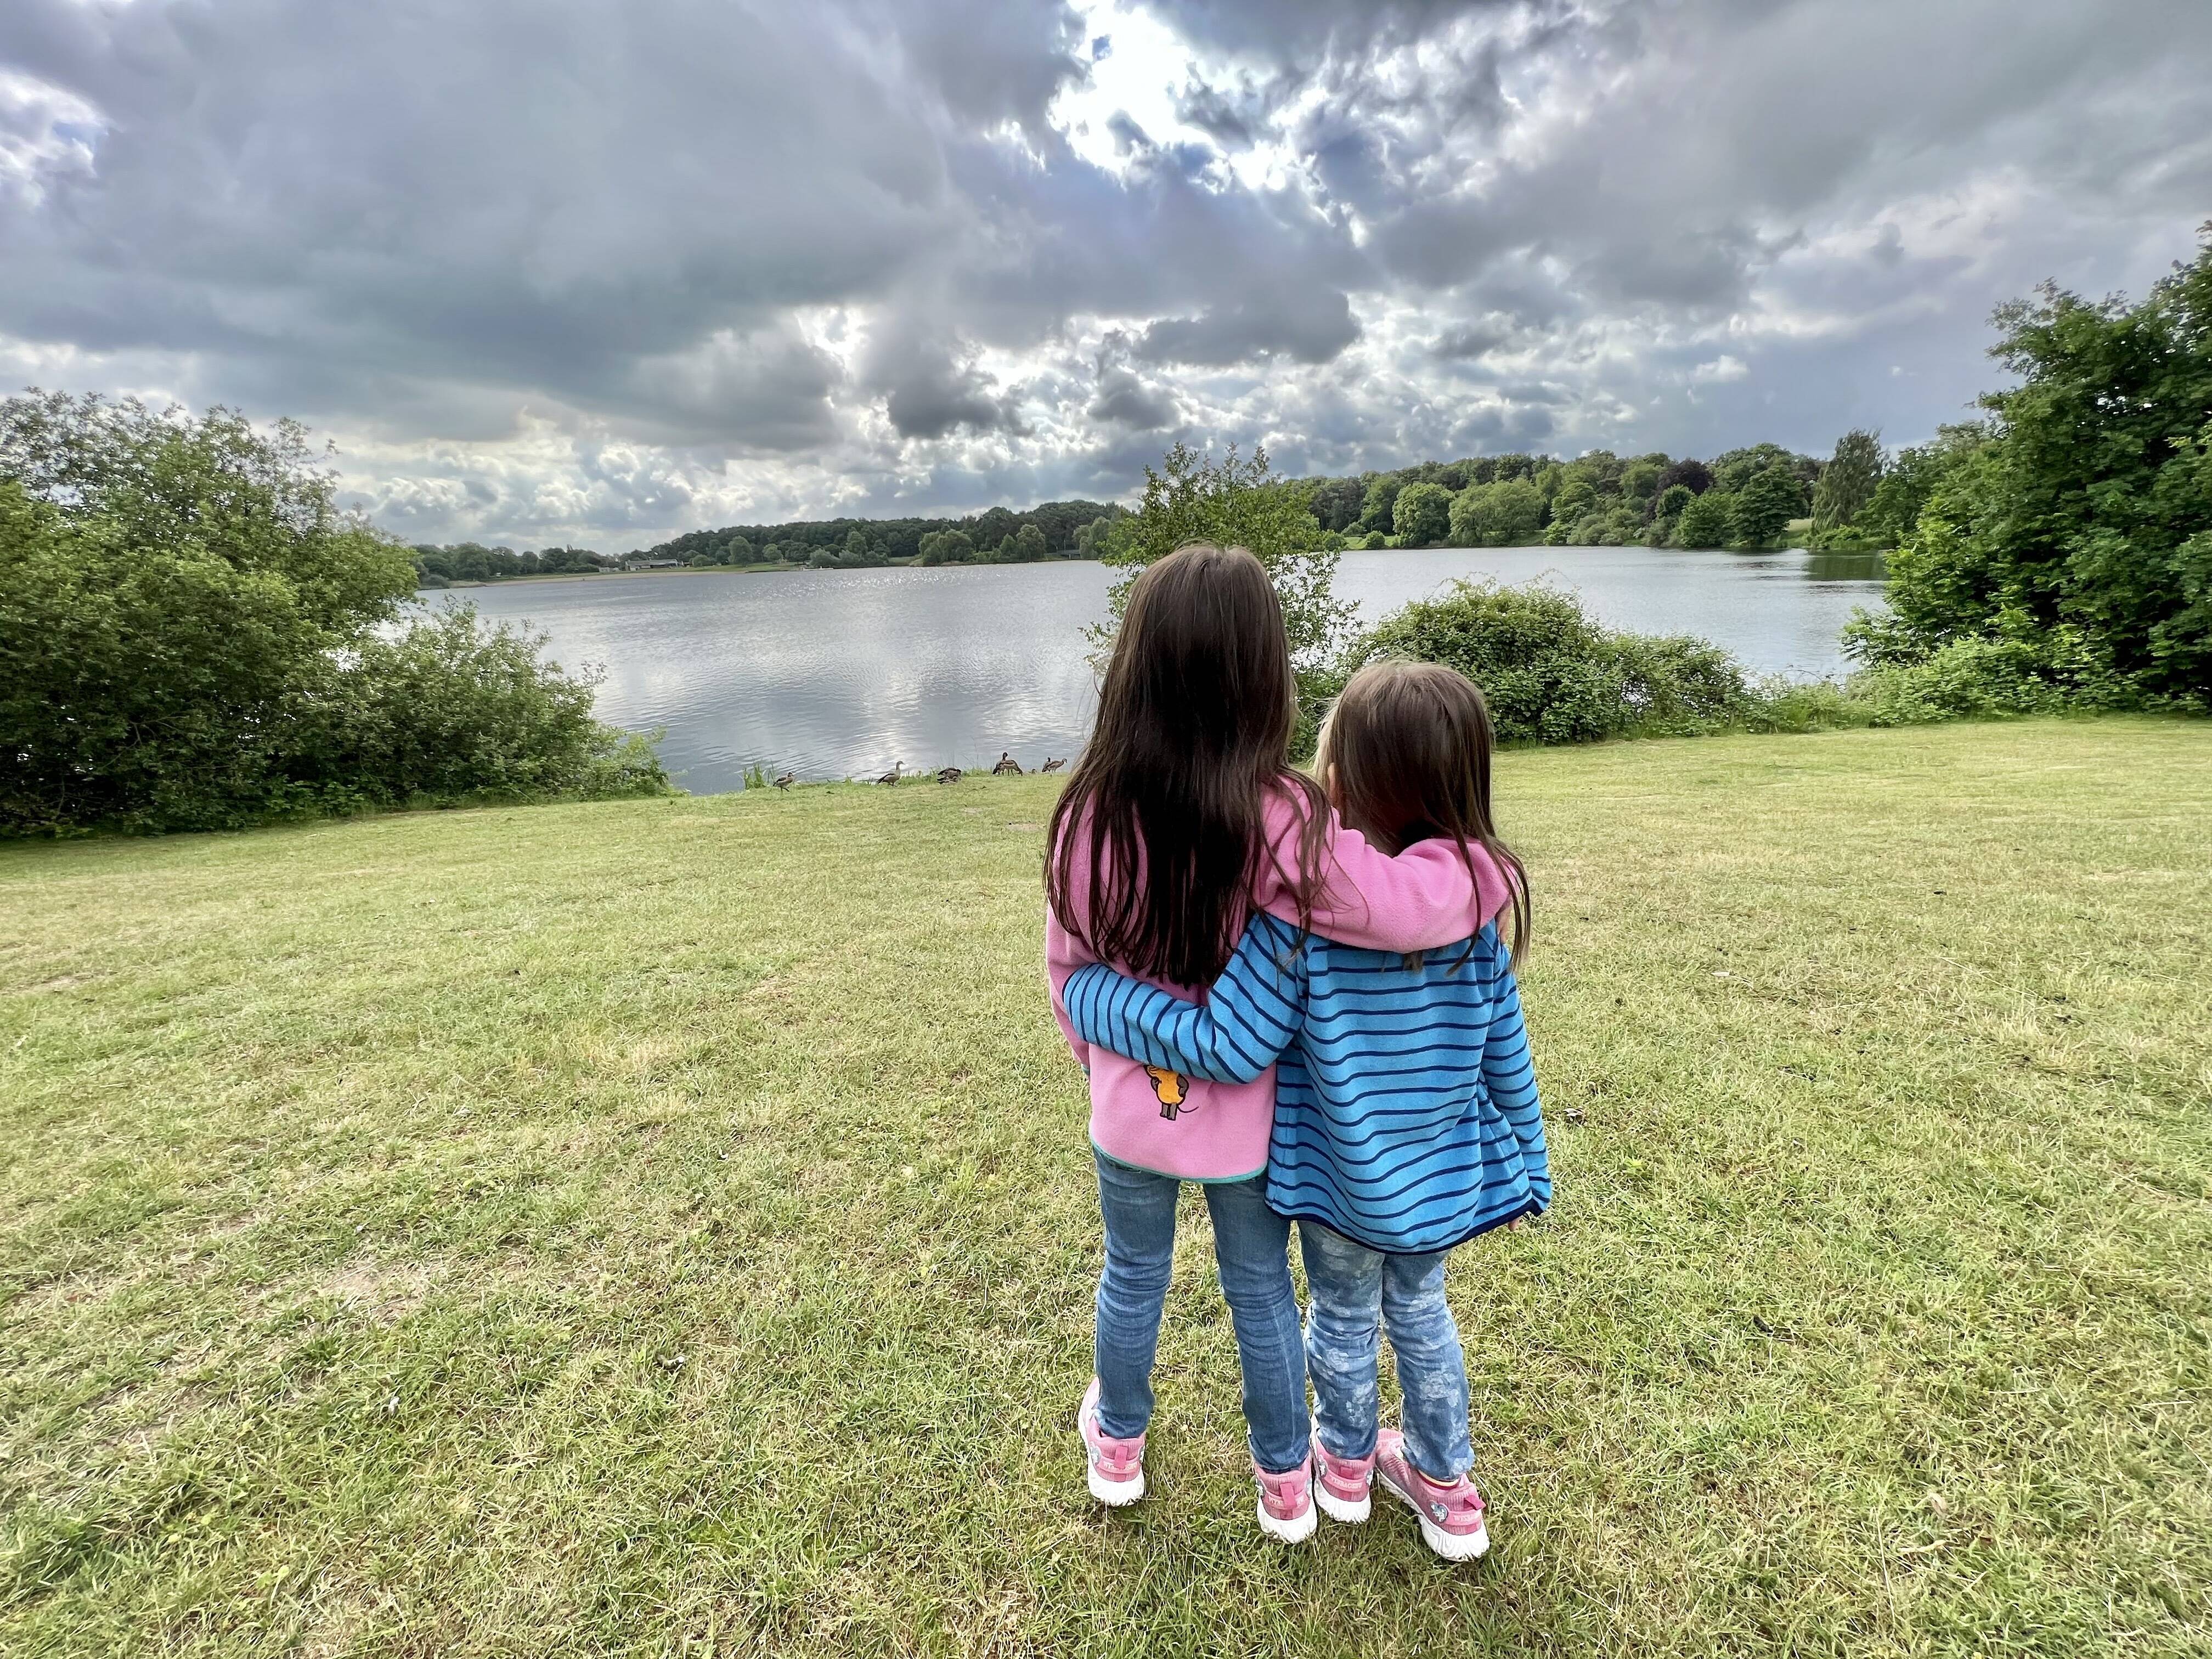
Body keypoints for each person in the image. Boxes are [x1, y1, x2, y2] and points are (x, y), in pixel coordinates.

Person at [1046, 548, 1515, 1544]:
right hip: (1246, 1120)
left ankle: (1117, 1445)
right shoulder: (1283, 817)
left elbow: (1068, 963)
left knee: (1132, 1273)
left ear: (1134, 665)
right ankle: (1285, 1485)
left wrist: (1099, 1048)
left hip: (1130, 1108)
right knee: (1258, 1289)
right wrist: (1482, 868)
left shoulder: (1086, 809)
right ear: (1267, 675)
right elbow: (1396, 906)